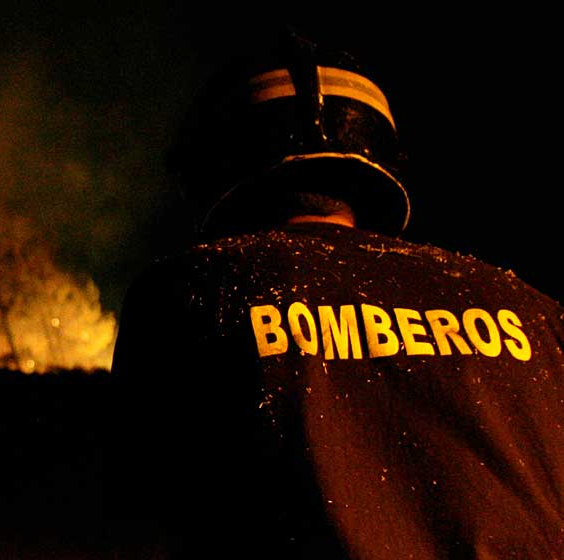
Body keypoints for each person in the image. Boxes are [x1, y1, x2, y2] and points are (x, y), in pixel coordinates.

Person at [104, 28, 564, 559]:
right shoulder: (534, 312)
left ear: (217, 170)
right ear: (382, 166)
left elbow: (137, 515)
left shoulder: (189, 293)